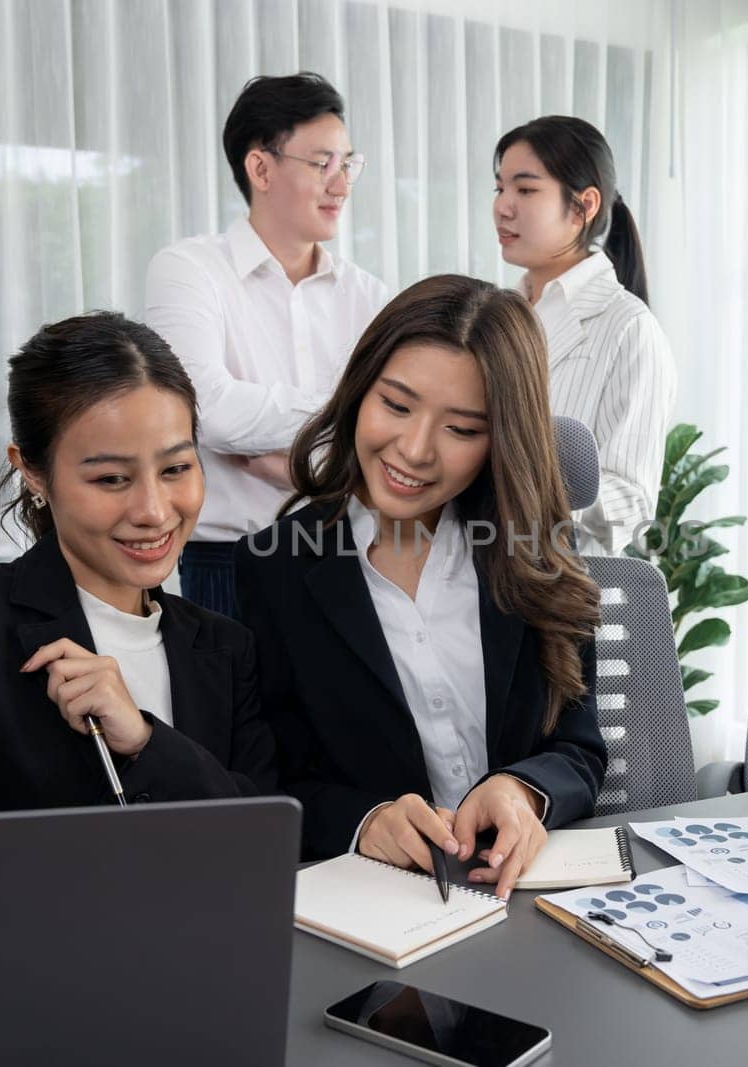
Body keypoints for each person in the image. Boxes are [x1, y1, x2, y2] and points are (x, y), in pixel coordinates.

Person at [234, 275, 606, 899]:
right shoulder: (274, 571)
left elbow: (578, 747)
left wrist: (522, 789)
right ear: (359, 393)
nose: (414, 450)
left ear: (500, 442)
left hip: (532, 900)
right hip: (384, 909)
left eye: (461, 430)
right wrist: (366, 822)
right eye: (397, 406)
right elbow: (268, 779)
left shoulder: (531, 554)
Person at [0, 312, 276, 820]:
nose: (154, 511)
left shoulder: (226, 647)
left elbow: (263, 830)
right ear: (33, 473)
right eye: (111, 478)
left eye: (176, 468)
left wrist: (143, 741)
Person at [146, 72, 390, 619]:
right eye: (323, 163)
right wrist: (343, 415)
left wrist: (298, 461)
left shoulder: (370, 296)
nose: (342, 184)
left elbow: (386, 438)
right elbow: (205, 412)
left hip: (346, 556)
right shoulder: (189, 270)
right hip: (230, 563)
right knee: (229, 707)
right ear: (260, 167)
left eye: (348, 164)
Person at [493, 115, 675, 555]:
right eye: (500, 188)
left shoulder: (628, 328)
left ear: (584, 205)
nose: (503, 206)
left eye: (526, 189)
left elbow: (631, 503)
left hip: (559, 585)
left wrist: (528, 482)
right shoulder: (497, 314)